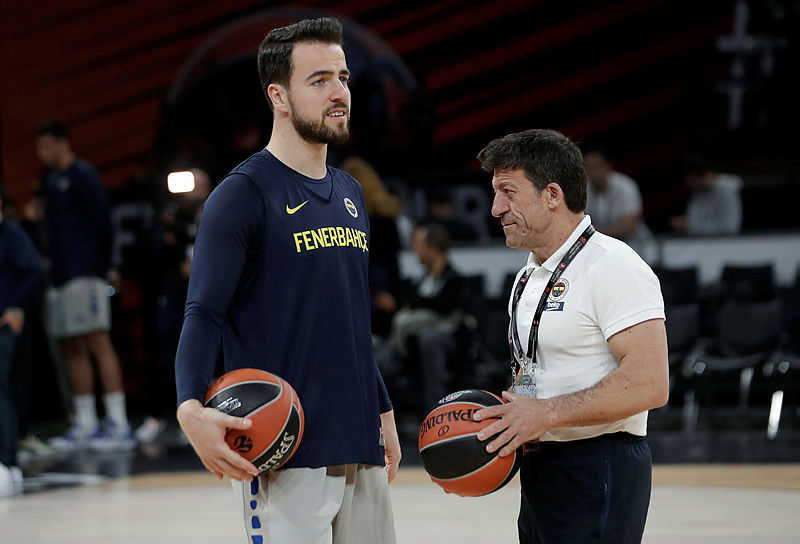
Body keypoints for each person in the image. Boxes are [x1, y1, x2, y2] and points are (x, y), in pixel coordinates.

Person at [174, 18, 399, 544]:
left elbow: (348, 320)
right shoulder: (241, 194)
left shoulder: (351, 193)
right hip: (283, 446)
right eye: (319, 80)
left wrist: (384, 410)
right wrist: (189, 407)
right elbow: (203, 313)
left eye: (343, 77)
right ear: (278, 95)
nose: (338, 92)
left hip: (358, 437)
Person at [473, 129, 669, 543]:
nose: (496, 208)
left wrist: (545, 414)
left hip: (601, 462)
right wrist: (510, 420)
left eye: (508, 192)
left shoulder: (614, 265)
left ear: (552, 195)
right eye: (495, 193)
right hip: (543, 465)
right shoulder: (528, 276)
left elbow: (650, 383)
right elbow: (536, 371)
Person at [33, 120, 133, 451]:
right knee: (71, 347)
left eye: (47, 146)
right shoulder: (48, 180)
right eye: (39, 147)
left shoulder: (84, 175)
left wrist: (109, 266)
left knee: (97, 341)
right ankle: (87, 423)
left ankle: (117, 422)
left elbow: (105, 223)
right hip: (59, 276)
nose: (42, 153)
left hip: (87, 273)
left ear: (64, 143)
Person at [387, 223, 465, 410]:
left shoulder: (454, 280)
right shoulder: (422, 279)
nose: (415, 252)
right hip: (409, 338)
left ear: (432, 248)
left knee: (429, 340)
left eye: (418, 246)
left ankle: (434, 407)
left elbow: (445, 307)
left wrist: (415, 303)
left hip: (440, 337)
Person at [0, 187, 46, 496]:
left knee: (2, 389)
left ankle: (7, 462)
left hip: (5, 324)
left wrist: (15, 307)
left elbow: (35, 273)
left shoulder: (12, 233)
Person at [339, 156, 402, 340]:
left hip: (360, 286)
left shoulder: (347, 218)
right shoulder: (388, 216)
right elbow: (393, 259)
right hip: (384, 289)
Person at [583, 147, 655, 261]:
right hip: (604, 249)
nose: (592, 172)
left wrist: (592, 233)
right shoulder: (584, 190)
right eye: (588, 167)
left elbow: (629, 227)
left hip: (637, 248)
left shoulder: (625, 186)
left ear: (609, 166)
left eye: (596, 166)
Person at [670, 155, 743, 235]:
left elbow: (729, 228)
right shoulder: (698, 193)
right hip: (699, 241)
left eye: (694, 180)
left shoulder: (726, 192)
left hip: (721, 242)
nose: (691, 185)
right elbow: (695, 217)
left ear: (706, 174)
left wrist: (691, 225)